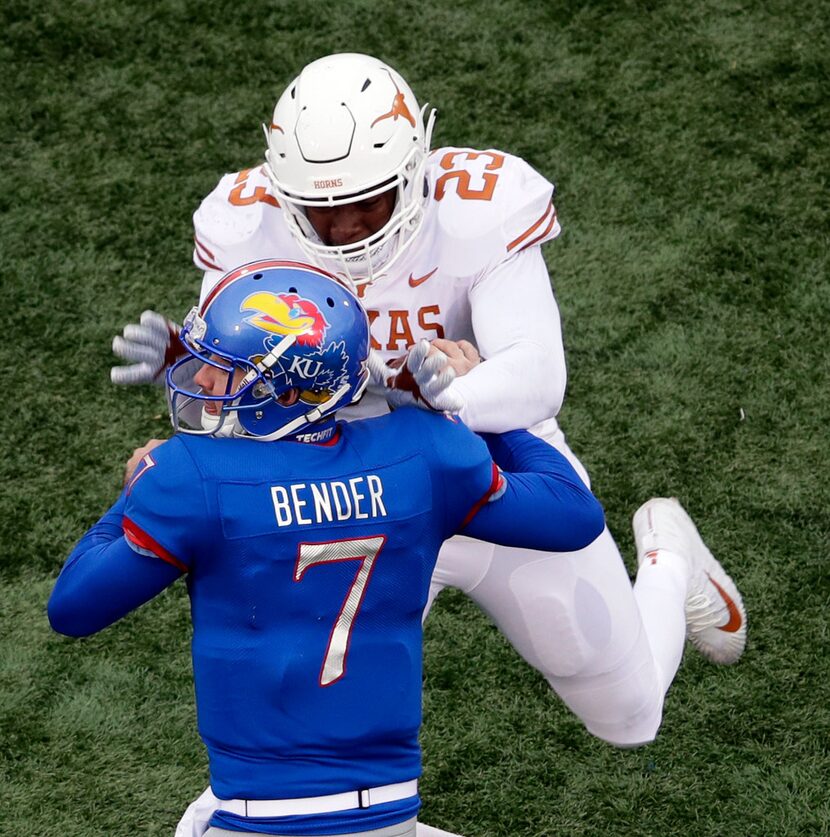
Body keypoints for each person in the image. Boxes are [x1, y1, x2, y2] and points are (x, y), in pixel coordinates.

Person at [111, 53, 746, 756]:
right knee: (295, 718)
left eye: (367, 202)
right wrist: (187, 409)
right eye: (324, 212)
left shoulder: (474, 209)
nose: (348, 227)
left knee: (629, 717)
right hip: (344, 491)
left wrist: (455, 398)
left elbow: (538, 375)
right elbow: (234, 388)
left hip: (485, 472)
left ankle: (667, 557)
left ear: (414, 170)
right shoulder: (244, 225)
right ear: (284, 195)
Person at [50, 260, 606, 837]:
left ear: (284, 389)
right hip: (391, 813)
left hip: (259, 818)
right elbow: (573, 513)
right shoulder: (424, 449)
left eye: (223, 369)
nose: (201, 381)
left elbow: (73, 607)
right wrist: (483, 416)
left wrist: (133, 493)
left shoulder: (190, 477)